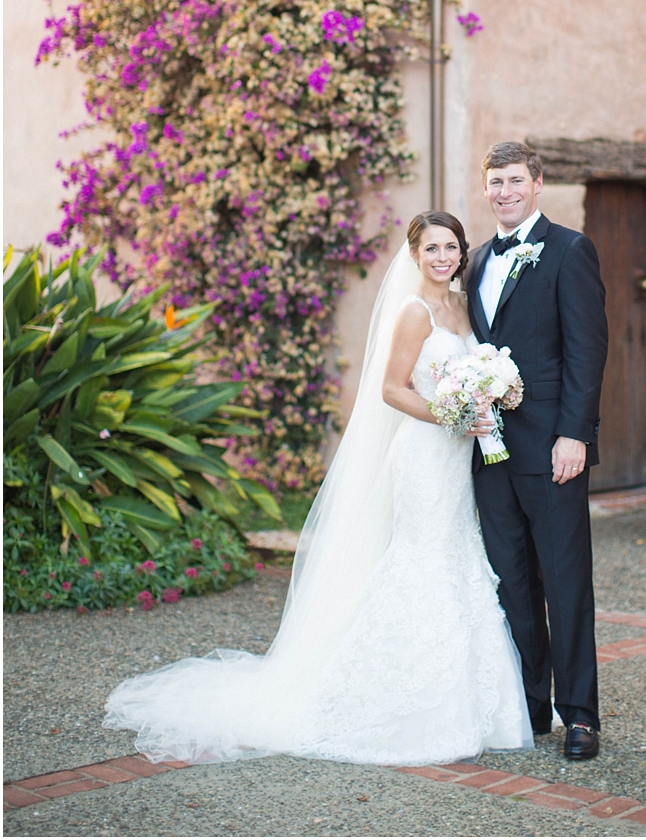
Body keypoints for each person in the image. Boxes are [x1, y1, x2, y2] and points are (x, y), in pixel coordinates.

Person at [103, 212, 532, 766]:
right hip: (426, 455)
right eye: (431, 248)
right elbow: (391, 391)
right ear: (414, 254)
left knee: (459, 558)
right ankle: (400, 702)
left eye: (450, 247)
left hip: (459, 461)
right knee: (422, 560)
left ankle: (477, 703)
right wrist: (452, 416)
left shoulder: (462, 305)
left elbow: (479, 369)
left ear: (461, 252)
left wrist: (490, 396)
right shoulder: (414, 312)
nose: (442, 257)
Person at [467, 142, 608, 760]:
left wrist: (574, 433)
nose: (504, 191)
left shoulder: (571, 250)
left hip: (552, 446)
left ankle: (579, 714)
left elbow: (586, 350)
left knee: (566, 579)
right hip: (488, 452)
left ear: (537, 184)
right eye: (495, 182)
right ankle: (531, 705)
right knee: (512, 582)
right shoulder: (473, 261)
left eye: (514, 180)